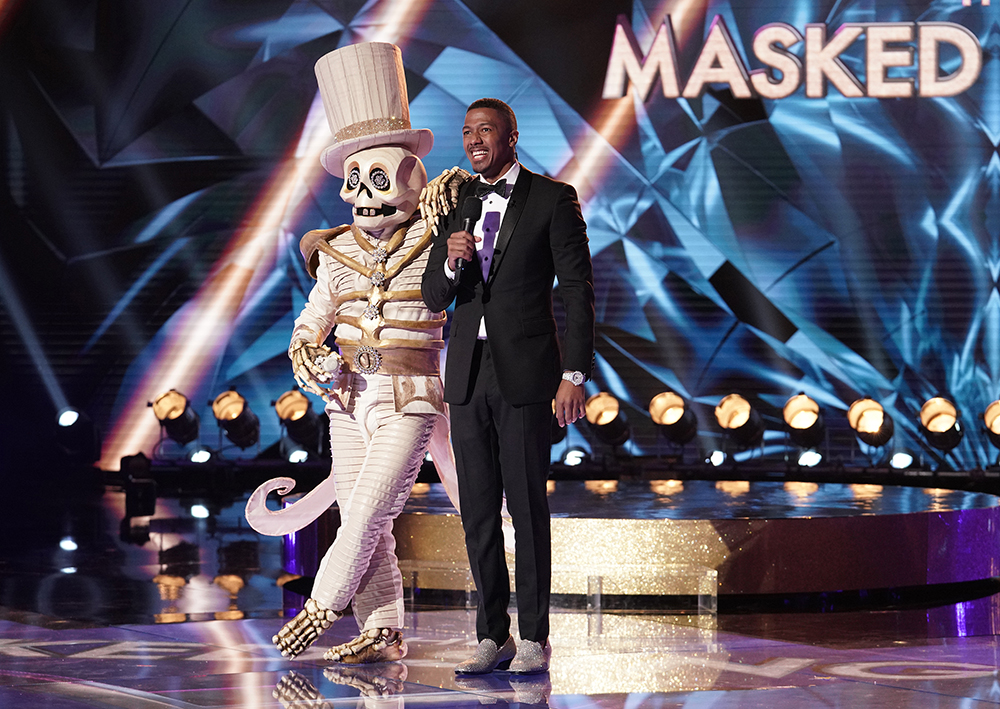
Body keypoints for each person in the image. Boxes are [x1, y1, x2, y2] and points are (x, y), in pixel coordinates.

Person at [244, 41, 465, 664]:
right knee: (367, 523)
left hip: (408, 399)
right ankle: (385, 629)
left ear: (410, 180)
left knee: (366, 511)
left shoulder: (440, 238)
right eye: (356, 182)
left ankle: (320, 608)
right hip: (347, 400)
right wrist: (309, 353)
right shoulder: (335, 254)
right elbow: (311, 321)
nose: (366, 196)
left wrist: (459, 199)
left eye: (381, 179)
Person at [421, 98, 595, 675]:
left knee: (525, 508)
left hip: (526, 374)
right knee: (476, 511)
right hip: (467, 374)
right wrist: (450, 264)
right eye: (467, 131)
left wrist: (574, 373)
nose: (474, 140)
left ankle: (534, 636)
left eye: (486, 130)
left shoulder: (552, 199)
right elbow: (432, 298)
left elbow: (577, 291)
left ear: (512, 136)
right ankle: (490, 635)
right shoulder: (459, 203)